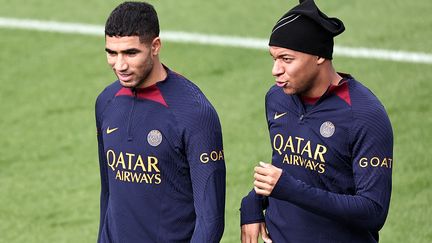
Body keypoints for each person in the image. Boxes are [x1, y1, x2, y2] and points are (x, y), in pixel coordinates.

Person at [240, 0, 393, 242]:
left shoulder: (365, 115)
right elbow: (287, 167)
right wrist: (252, 204)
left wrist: (290, 189)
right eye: (273, 58)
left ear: (320, 56)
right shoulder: (277, 99)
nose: (275, 70)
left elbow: (373, 211)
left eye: (286, 59)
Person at [95, 2, 226, 242]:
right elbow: (108, 193)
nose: (120, 65)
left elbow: (211, 221)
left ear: (155, 46)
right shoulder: (106, 102)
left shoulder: (194, 113)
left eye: (131, 53)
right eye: (111, 53)